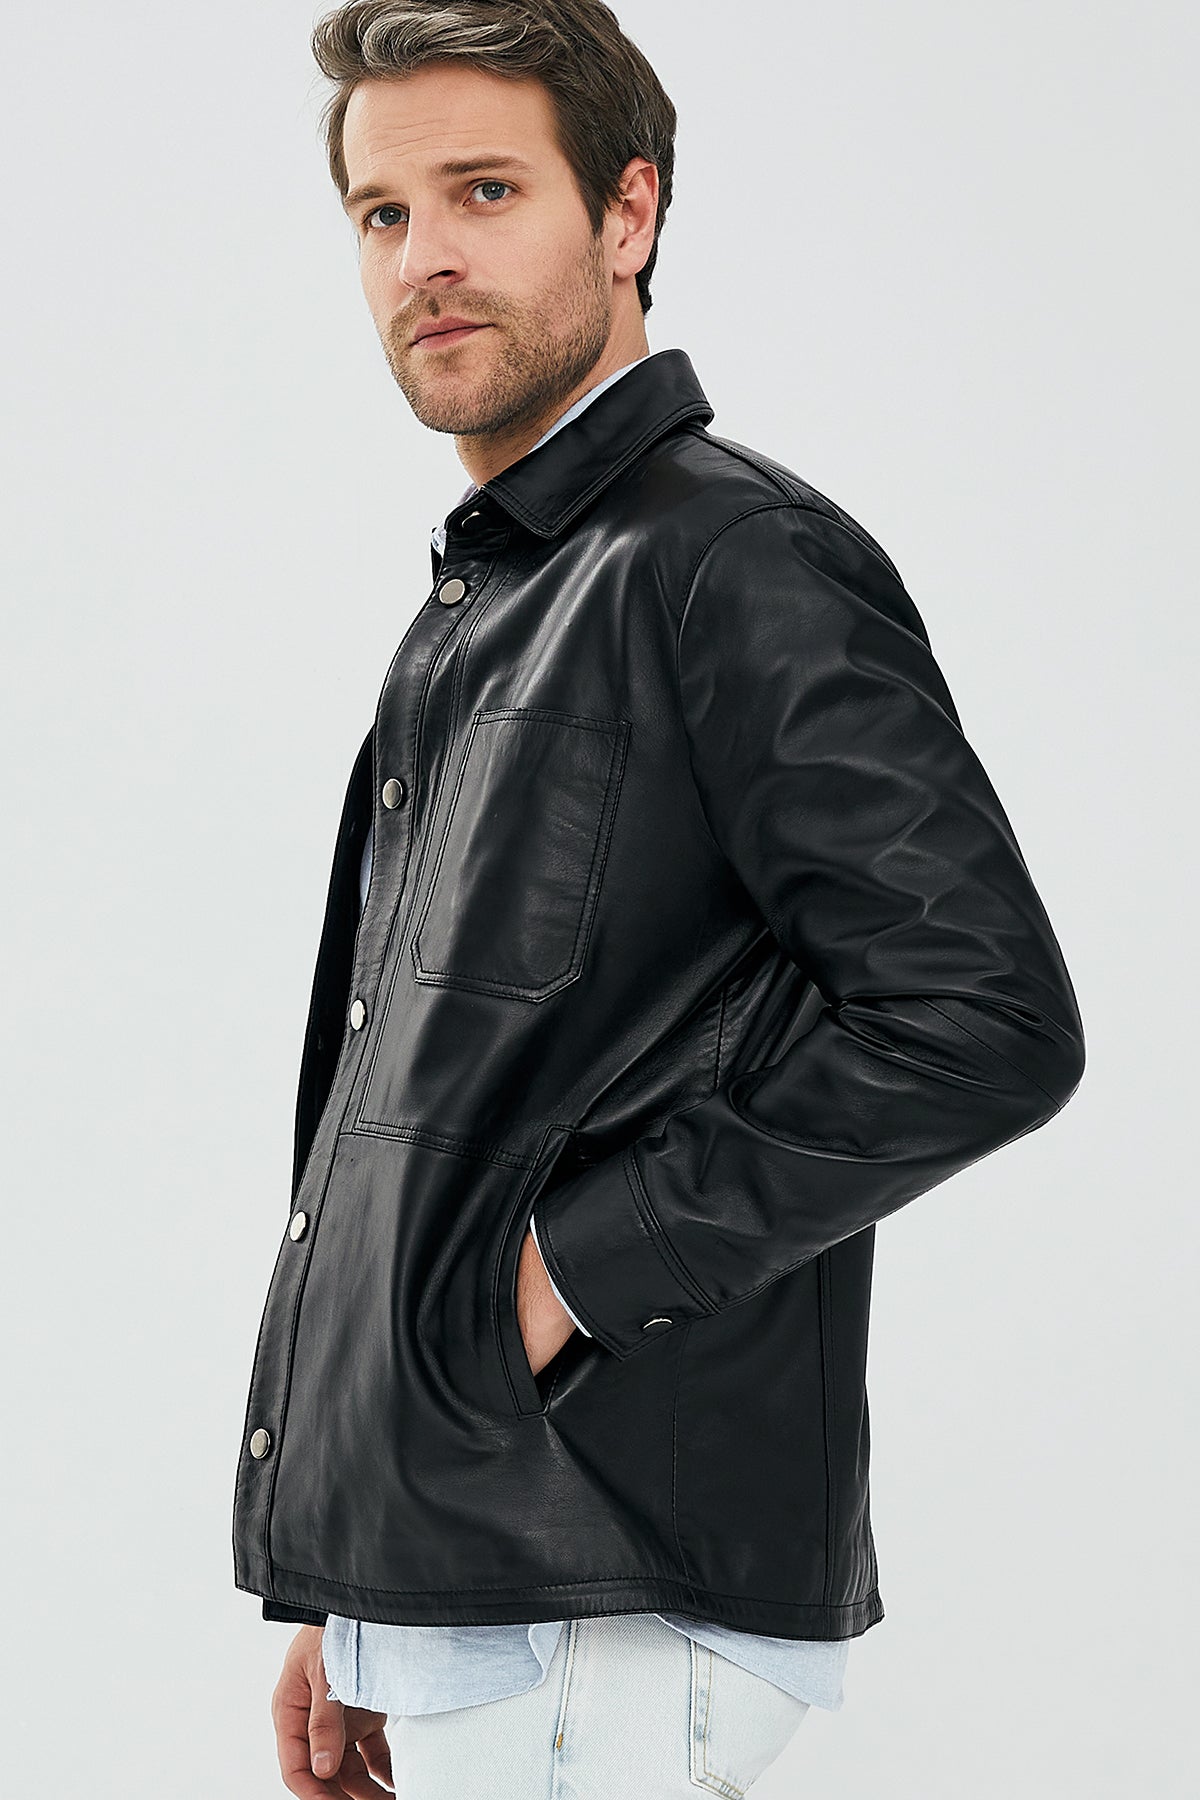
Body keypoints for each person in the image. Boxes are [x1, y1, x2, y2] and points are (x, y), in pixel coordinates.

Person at [233, 4, 1087, 1795]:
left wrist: (574, 1274)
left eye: (484, 190)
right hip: (493, 1583)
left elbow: (982, 1021)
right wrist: (359, 1573)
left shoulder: (728, 560)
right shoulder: (497, 601)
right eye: (383, 213)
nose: (424, 255)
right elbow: (447, 1098)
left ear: (626, 214)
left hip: (605, 1605)